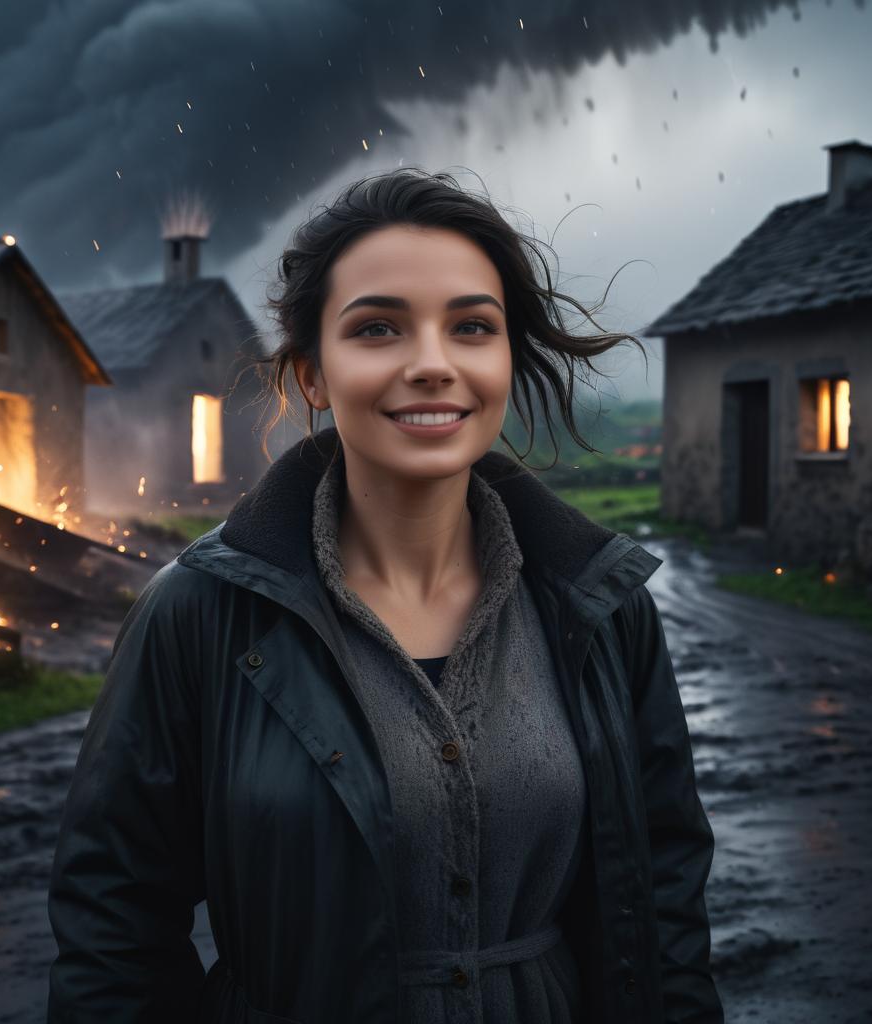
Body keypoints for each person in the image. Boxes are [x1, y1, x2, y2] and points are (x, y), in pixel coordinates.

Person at [47, 168, 723, 1024]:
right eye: (377, 329)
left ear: (507, 356)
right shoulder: (197, 615)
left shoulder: (601, 607)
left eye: (472, 327)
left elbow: (665, 908)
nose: (433, 365)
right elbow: (114, 929)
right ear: (313, 375)